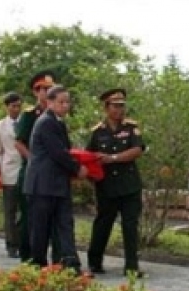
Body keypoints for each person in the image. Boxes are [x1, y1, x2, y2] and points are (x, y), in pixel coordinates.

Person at [23, 85, 88, 272]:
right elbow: (58, 153)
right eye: (61, 102)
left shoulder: (57, 122)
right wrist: (77, 168)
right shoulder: (46, 122)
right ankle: (38, 265)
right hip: (42, 185)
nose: (65, 106)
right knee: (41, 228)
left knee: (65, 224)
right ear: (49, 102)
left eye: (67, 102)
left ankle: (69, 263)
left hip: (57, 184)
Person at [86, 88, 147, 277]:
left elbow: (137, 150)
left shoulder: (131, 128)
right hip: (106, 187)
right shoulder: (97, 132)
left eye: (122, 106)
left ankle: (131, 267)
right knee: (103, 224)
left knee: (130, 226)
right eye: (116, 106)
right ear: (106, 108)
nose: (120, 110)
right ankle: (94, 262)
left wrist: (112, 157)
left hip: (129, 186)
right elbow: (89, 155)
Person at [15, 70, 62, 263]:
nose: (47, 92)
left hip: (52, 174)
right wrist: (34, 160)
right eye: (43, 89)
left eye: (50, 88)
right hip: (33, 172)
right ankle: (27, 255)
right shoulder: (29, 115)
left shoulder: (57, 115)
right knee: (29, 217)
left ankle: (54, 257)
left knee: (51, 217)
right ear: (36, 92)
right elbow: (19, 143)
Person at [0, 92, 24, 258]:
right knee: (10, 210)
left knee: (25, 209)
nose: (17, 109)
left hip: (25, 169)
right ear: (7, 107)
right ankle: (11, 244)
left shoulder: (27, 122)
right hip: (9, 170)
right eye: (13, 106)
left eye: (19, 106)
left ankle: (21, 239)